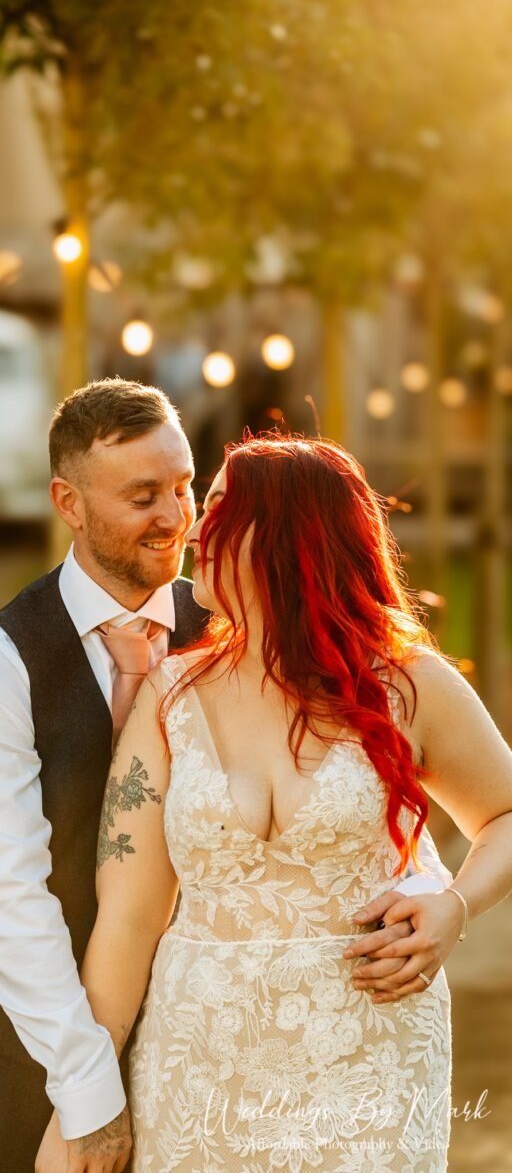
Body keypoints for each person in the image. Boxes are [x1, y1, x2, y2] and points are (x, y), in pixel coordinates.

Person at [0, 386, 445, 1173]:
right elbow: (5, 901)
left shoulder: (239, 623)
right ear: (70, 503)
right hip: (6, 1062)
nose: (178, 515)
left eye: (185, 485)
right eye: (142, 495)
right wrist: (89, 1094)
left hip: (194, 1063)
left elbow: (343, 784)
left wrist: (430, 887)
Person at [36, 434, 512, 1172]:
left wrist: (455, 906)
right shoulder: (168, 699)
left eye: (225, 507)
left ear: (295, 532)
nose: (195, 526)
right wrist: (84, 1103)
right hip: (198, 1063)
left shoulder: (407, 685)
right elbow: (128, 919)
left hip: (369, 1055)